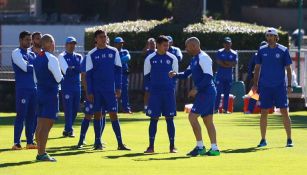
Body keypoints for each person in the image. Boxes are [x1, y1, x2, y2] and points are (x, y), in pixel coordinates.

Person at [169, 37, 220, 156]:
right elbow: (186, 74)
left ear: (193, 46)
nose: (186, 49)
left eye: (187, 47)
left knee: (192, 117)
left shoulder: (204, 58)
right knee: (208, 121)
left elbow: (208, 77)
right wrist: (175, 74)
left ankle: (200, 147)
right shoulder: (194, 59)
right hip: (205, 93)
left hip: (206, 92)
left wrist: (196, 89)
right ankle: (214, 148)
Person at [86, 30, 130, 150]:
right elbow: (88, 75)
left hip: (110, 90)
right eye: (101, 37)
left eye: (105, 37)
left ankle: (120, 143)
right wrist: (89, 91)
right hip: (97, 90)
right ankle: (97, 142)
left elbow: (118, 70)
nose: (103, 39)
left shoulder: (113, 51)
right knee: (97, 115)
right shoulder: (91, 54)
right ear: (96, 39)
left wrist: (119, 87)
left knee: (114, 115)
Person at [252, 27, 294, 147]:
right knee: (264, 112)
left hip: (280, 87)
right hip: (265, 87)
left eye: (272, 36)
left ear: (276, 37)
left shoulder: (283, 50)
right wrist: (255, 84)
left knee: (284, 111)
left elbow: (288, 69)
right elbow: (257, 68)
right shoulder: (261, 50)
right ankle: (263, 139)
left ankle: (289, 139)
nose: (269, 38)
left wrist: (290, 85)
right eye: (268, 36)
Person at [143, 35, 178, 154]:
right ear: (157, 45)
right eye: (164, 45)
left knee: (170, 119)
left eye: (167, 45)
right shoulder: (150, 58)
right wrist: (150, 90)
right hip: (155, 94)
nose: (166, 47)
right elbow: (146, 76)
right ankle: (151, 147)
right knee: (153, 119)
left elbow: (175, 75)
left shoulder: (173, 58)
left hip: (168, 93)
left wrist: (171, 86)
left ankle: (172, 146)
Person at [33, 34, 63, 161]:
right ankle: (41, 153)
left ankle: (40, 152)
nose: (54, 45)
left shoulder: (36, 58)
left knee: (40, 125)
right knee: (47, 125)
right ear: (48, 43)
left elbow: (35, 79)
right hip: (50, 94)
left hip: (39, 92)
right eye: (53, 42)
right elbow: (59, 78)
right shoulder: (52, 58)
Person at [11, 31, 37, 150]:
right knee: (21, 115)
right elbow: (25, 67)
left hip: (33, 89)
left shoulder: (32, 54)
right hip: (22, 89)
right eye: (26, 39)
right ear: (20, 40)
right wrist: (34, 66)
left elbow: (37, 70)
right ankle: (16, 142)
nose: (29, 42)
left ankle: (30, 142)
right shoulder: (16, 52)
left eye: (30, 39)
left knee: (32, 115)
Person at [59, 37, 83, 137]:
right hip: (67, 85)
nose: (72, 46)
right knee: (68, 108)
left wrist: (73, 68)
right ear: (66, 45)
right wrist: (74, 68)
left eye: (74, 44)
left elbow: (81, 68)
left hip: (77, 85)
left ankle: (67, 128)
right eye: (70, 44)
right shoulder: (62, 56)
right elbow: (66, 71)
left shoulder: (79, 56)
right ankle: (69, 129)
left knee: (75, 108)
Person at [214, 37, 238, 114]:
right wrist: (228, 64)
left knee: (227, 93)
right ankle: (215, 109)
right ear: (223, 44)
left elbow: (234, 63)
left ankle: (225, 109)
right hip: (220, 76)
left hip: (229, 76)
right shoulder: (219, 52)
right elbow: (219, 62)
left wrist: (225, 63)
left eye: (229, 43)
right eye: (226, 43)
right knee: (218, 92)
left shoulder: (234, 53)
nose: (228, 44)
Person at [245, 41, 267, 114]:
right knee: (254, 94)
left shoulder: (270, 55)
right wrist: (251, 77)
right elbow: (250, 67)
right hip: (257, 78)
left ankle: (265, 110)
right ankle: (249, 110)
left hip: (266, 78)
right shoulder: (256, 55)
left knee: (266, 94)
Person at [114, 37, 132, 114]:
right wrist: (120, 61)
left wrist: (119, 61)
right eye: (119, 43)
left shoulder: (125, 51)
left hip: (124, 74)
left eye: (122, 43)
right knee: (114, 91)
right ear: (115, 44)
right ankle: (114, 108)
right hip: (115, 74)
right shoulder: (113, 51)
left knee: (124, 92)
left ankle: (126, 109)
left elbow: (128, 57)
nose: (121, 44)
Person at [143, 38, 157, 111]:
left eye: (153, 43)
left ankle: (155, 106)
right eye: (151, 43)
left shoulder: (158, 52)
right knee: (147, 91)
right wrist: (147, 45)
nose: (152, 45)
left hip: (156, 75)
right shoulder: (147, 52)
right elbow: (143, 53)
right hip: (148, 76)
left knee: (156, 91)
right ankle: (145, 107)